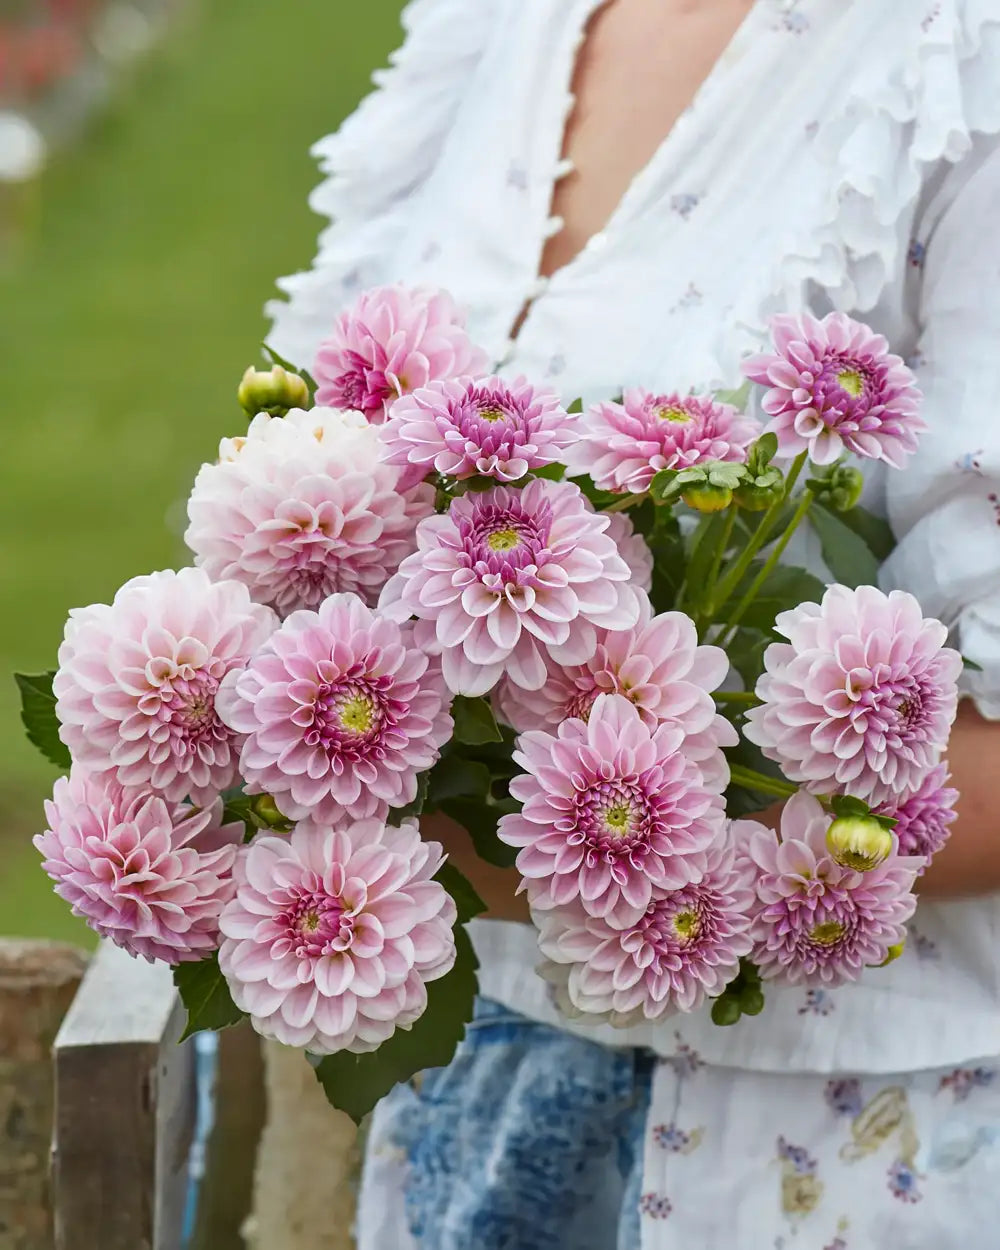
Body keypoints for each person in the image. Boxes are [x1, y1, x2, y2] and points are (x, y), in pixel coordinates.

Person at [268, 1, 1000, 1245]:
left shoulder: (953, 59)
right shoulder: (498, 28)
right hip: (475, 1099)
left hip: (824, 1153)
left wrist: (487, 845)